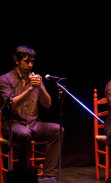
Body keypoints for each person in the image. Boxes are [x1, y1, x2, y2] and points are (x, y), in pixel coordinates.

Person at [0, 45, 62, 178]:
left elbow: (47, 105)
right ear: (17, 61)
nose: (30, 65)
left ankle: (49, 175)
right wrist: (29, 90)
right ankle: (26, 175)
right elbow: (10, 104)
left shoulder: (35, 79)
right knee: (25, 133)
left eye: (32, 62)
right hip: (13, 124)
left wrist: (40, 88)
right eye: (26, 61)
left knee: (58, 129)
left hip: (34, 124)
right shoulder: (5, 79)